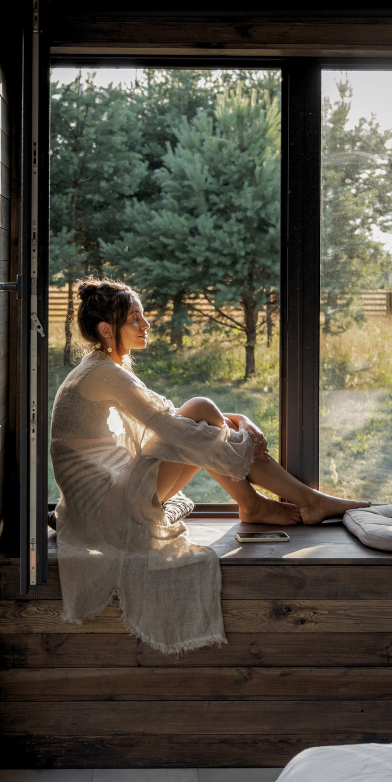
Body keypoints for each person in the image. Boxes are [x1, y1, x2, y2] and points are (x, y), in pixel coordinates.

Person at [49, 278, 370, 655]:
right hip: (110, 515)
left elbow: (169, 416)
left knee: (200, 414)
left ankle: (269, 503)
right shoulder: (103, 372)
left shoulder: (100, 367)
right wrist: (241, 434)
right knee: (200, 412)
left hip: (105, 505)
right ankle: (295, 502)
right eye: (135, 318)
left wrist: (239, 420)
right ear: (107, 330)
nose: (146, 324)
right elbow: (173, 425)